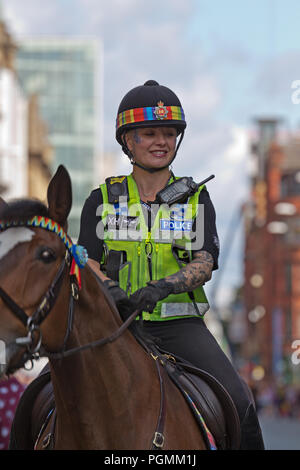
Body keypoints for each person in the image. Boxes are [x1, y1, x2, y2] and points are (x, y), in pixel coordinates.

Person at [78, 79, 264, 450]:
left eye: (169, 133)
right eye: (149, 133)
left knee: (240, 401)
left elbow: (205, 262)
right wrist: (113, 293)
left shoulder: (196, 199)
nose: (161, 142)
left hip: (180, 327)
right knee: (41, 395)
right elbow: (87, 262)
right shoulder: (101, 199)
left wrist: (164, 287)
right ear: (128, 141)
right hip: (114, 326)